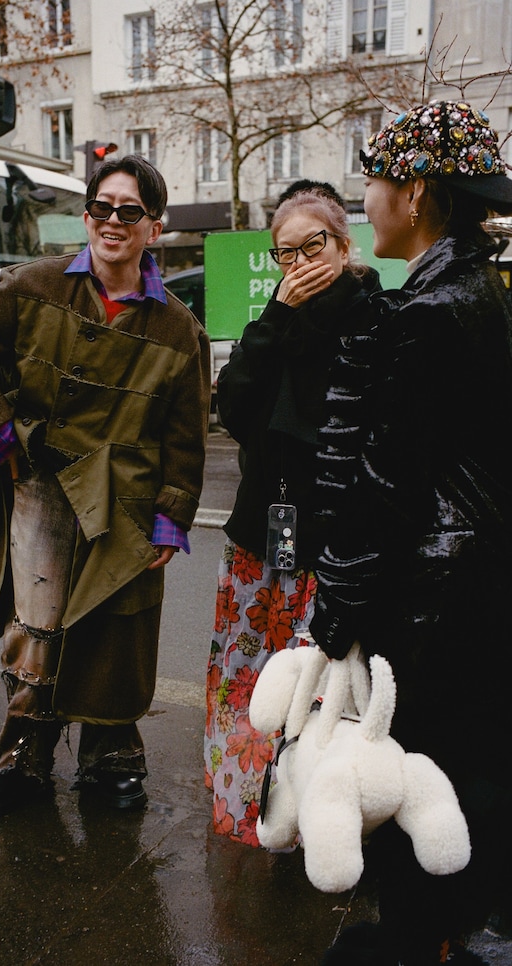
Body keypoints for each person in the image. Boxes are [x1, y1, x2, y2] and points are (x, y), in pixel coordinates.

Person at [0, 155, 211, 816]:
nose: (113, 221)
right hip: (41, 483)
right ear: (87, 216)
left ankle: (111, 756)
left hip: (126, 501)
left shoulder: (179, 330)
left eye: (130, 210)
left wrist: (172, 516)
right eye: (103, 207)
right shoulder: (31, 286)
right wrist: (0, 438)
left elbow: (186, 436)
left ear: (152, 228)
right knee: (36, 625)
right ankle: (25, 755)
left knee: (116, 631)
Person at [312, 101, 512, 965]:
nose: (365, 198)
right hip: (476, 583)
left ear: (418, 190)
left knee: (413, 775)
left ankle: (415, 941)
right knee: (467, 774)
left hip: (431, 599)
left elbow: (387, 486)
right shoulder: (479, 289)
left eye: (374, 178)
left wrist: (338, 610)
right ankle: (448, 934)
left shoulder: (429, 312)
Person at [204, 185, 381, 846]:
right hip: (261, 536)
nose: (302, 261)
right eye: (288, 252)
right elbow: (236, 411)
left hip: (334, 550)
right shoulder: (271, 325)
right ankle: (250, 810)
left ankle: (322, 827)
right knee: (248, 685)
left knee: (324, 695)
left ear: (343, 245)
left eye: (317, 245)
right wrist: (275, 319)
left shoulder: (373, 319)